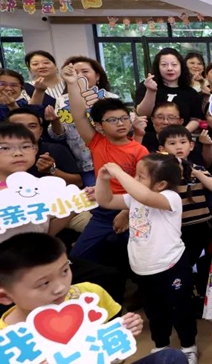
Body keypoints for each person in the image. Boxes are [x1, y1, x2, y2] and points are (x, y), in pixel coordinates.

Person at [0, 233, 188, 364]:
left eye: (65, 271)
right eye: (44, 283)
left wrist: (121, 337)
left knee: (171, 358)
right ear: (5, 296)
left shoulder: (88, 295)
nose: (60, 287)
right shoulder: (7, 341)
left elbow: (115, 359)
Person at [0, 123, 125, 304]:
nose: (18, 153)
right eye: (5, 148)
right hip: (8, 269)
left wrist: (76, 205)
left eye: (25, 146)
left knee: (107, 277)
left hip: (41, 259)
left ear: (35, 150)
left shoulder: (39, 188)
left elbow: (47, 232)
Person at [95, 154, 199, 363]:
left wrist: (119, 173)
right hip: (143, 268)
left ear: (161, 184)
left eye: (140, 176)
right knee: (154, 311)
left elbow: (143, 196)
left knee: (180, 308)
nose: (135, 179)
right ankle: (161, 345)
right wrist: (103, 179)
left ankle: (189, 346)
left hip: (171, 265)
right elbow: (105, 200)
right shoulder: (135, 197)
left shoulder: (170, 197)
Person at [63, 63, 149, 263]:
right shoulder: (96, 142)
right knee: (78, 257)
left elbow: (144, 185)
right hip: (102, 211)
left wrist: (126, 212)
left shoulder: (139, 150)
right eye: (112, 120)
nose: (120, 123)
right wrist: (72, 84)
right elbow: (78, 115)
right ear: (99, 126)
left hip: (131, 208)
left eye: (124, 118)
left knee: (133, 255)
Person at [157, 125, 212, 300]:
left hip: (200, 225)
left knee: (202, 260)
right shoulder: (162, 173)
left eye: (183, 142)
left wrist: (194, 171)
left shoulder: (198, 168)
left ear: (191, 146)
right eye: (172, 143)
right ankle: (186, 292)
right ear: (162, 149)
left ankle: (203, 293)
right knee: (183, 261)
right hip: (177, 227)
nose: (178, 147)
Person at [48, 57, 119, 186]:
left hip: (111, 158)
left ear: (97, 76)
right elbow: (58, 135)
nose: (79, 75)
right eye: (74, 72)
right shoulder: (62, 101)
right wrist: (55, 122)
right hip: (81, 162)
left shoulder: (111, 99)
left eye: (85, 71)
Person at [135, 48, 204, 134]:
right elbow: (142, 114)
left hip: (179, 139)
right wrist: (151, 91)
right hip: (150, 137)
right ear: (158, 67)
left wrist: (181, 133)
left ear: (181, 67)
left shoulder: (191, 93)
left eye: (174, 64)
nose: (169, 68)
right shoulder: (147, 85)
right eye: (164, 65)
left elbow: (196, 119)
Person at [7, 108, 82, 187]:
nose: (26, 131)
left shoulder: (56, 150)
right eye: (18, 127)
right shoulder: (2, 155)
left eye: (32, 126)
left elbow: (78, 183)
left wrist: (51, 170)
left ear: (40, 131)